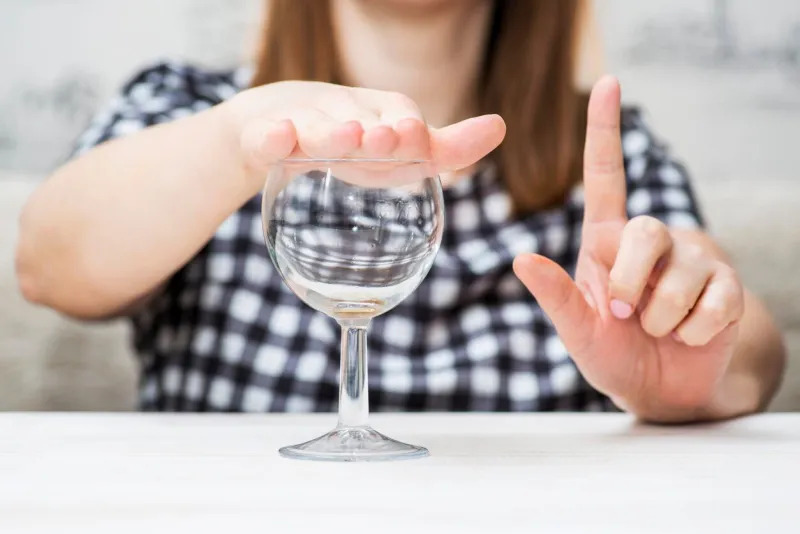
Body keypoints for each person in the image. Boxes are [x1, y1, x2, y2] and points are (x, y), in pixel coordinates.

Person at [15, 0, 785, 422]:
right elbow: (45, 265)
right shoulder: (189, 110)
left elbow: (745, 341)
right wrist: (240, 139)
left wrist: (694, 363)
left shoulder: (609, 156)